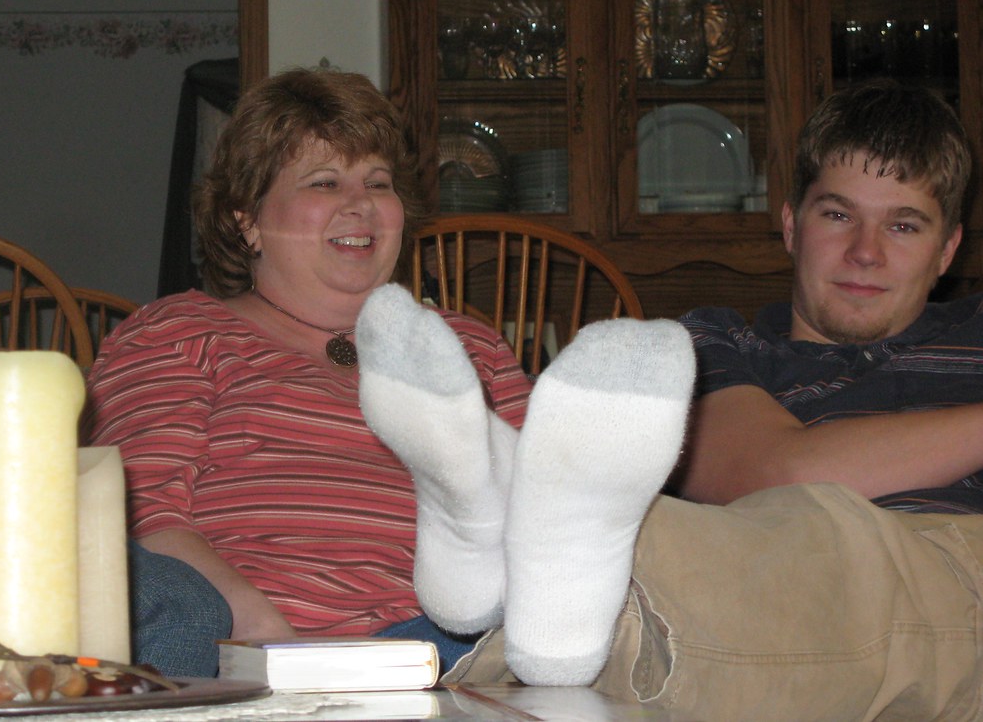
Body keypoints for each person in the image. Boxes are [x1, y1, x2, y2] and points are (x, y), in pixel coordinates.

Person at [352, 80, 983, 720]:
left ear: (948, 250)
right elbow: (777, 471)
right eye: (838, 215)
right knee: (651, 542)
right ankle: (505, 547)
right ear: (791, 223)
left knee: (804, 550)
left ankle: (496, 518)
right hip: (745, 572)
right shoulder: (711, 343)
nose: (865, 252)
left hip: (949, 563)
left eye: (904, 225)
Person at [85, 67, 532, 675]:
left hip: (438, 644)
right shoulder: (179, 333)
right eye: (325, 182)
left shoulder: (470, 349)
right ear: (247, 221)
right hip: (232, 644)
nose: (361, 204)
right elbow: (138, 515)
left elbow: (549, 511)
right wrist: (265, 635)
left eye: (378, 182)